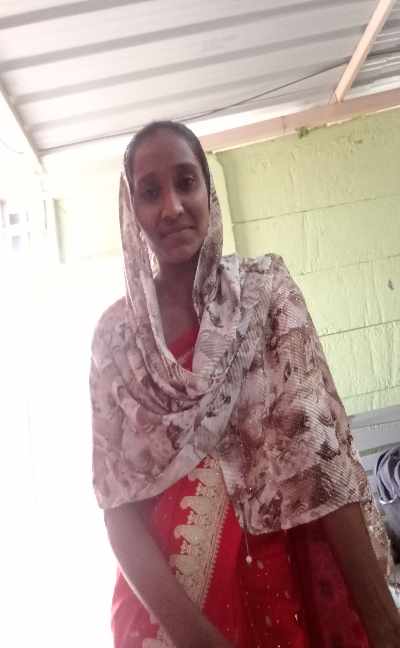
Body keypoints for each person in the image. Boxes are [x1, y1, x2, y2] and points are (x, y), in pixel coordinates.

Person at [90, 121, 400, 648]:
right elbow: (115, 505)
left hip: (280, 576)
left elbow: (318, 455)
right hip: (166, 605)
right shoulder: (115, 338)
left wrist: (383, 620)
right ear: (130, 209)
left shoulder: (264, 293)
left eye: (186, 182)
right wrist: (196, 638)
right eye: (150, 191)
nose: (172, 207)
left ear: (208, 191)